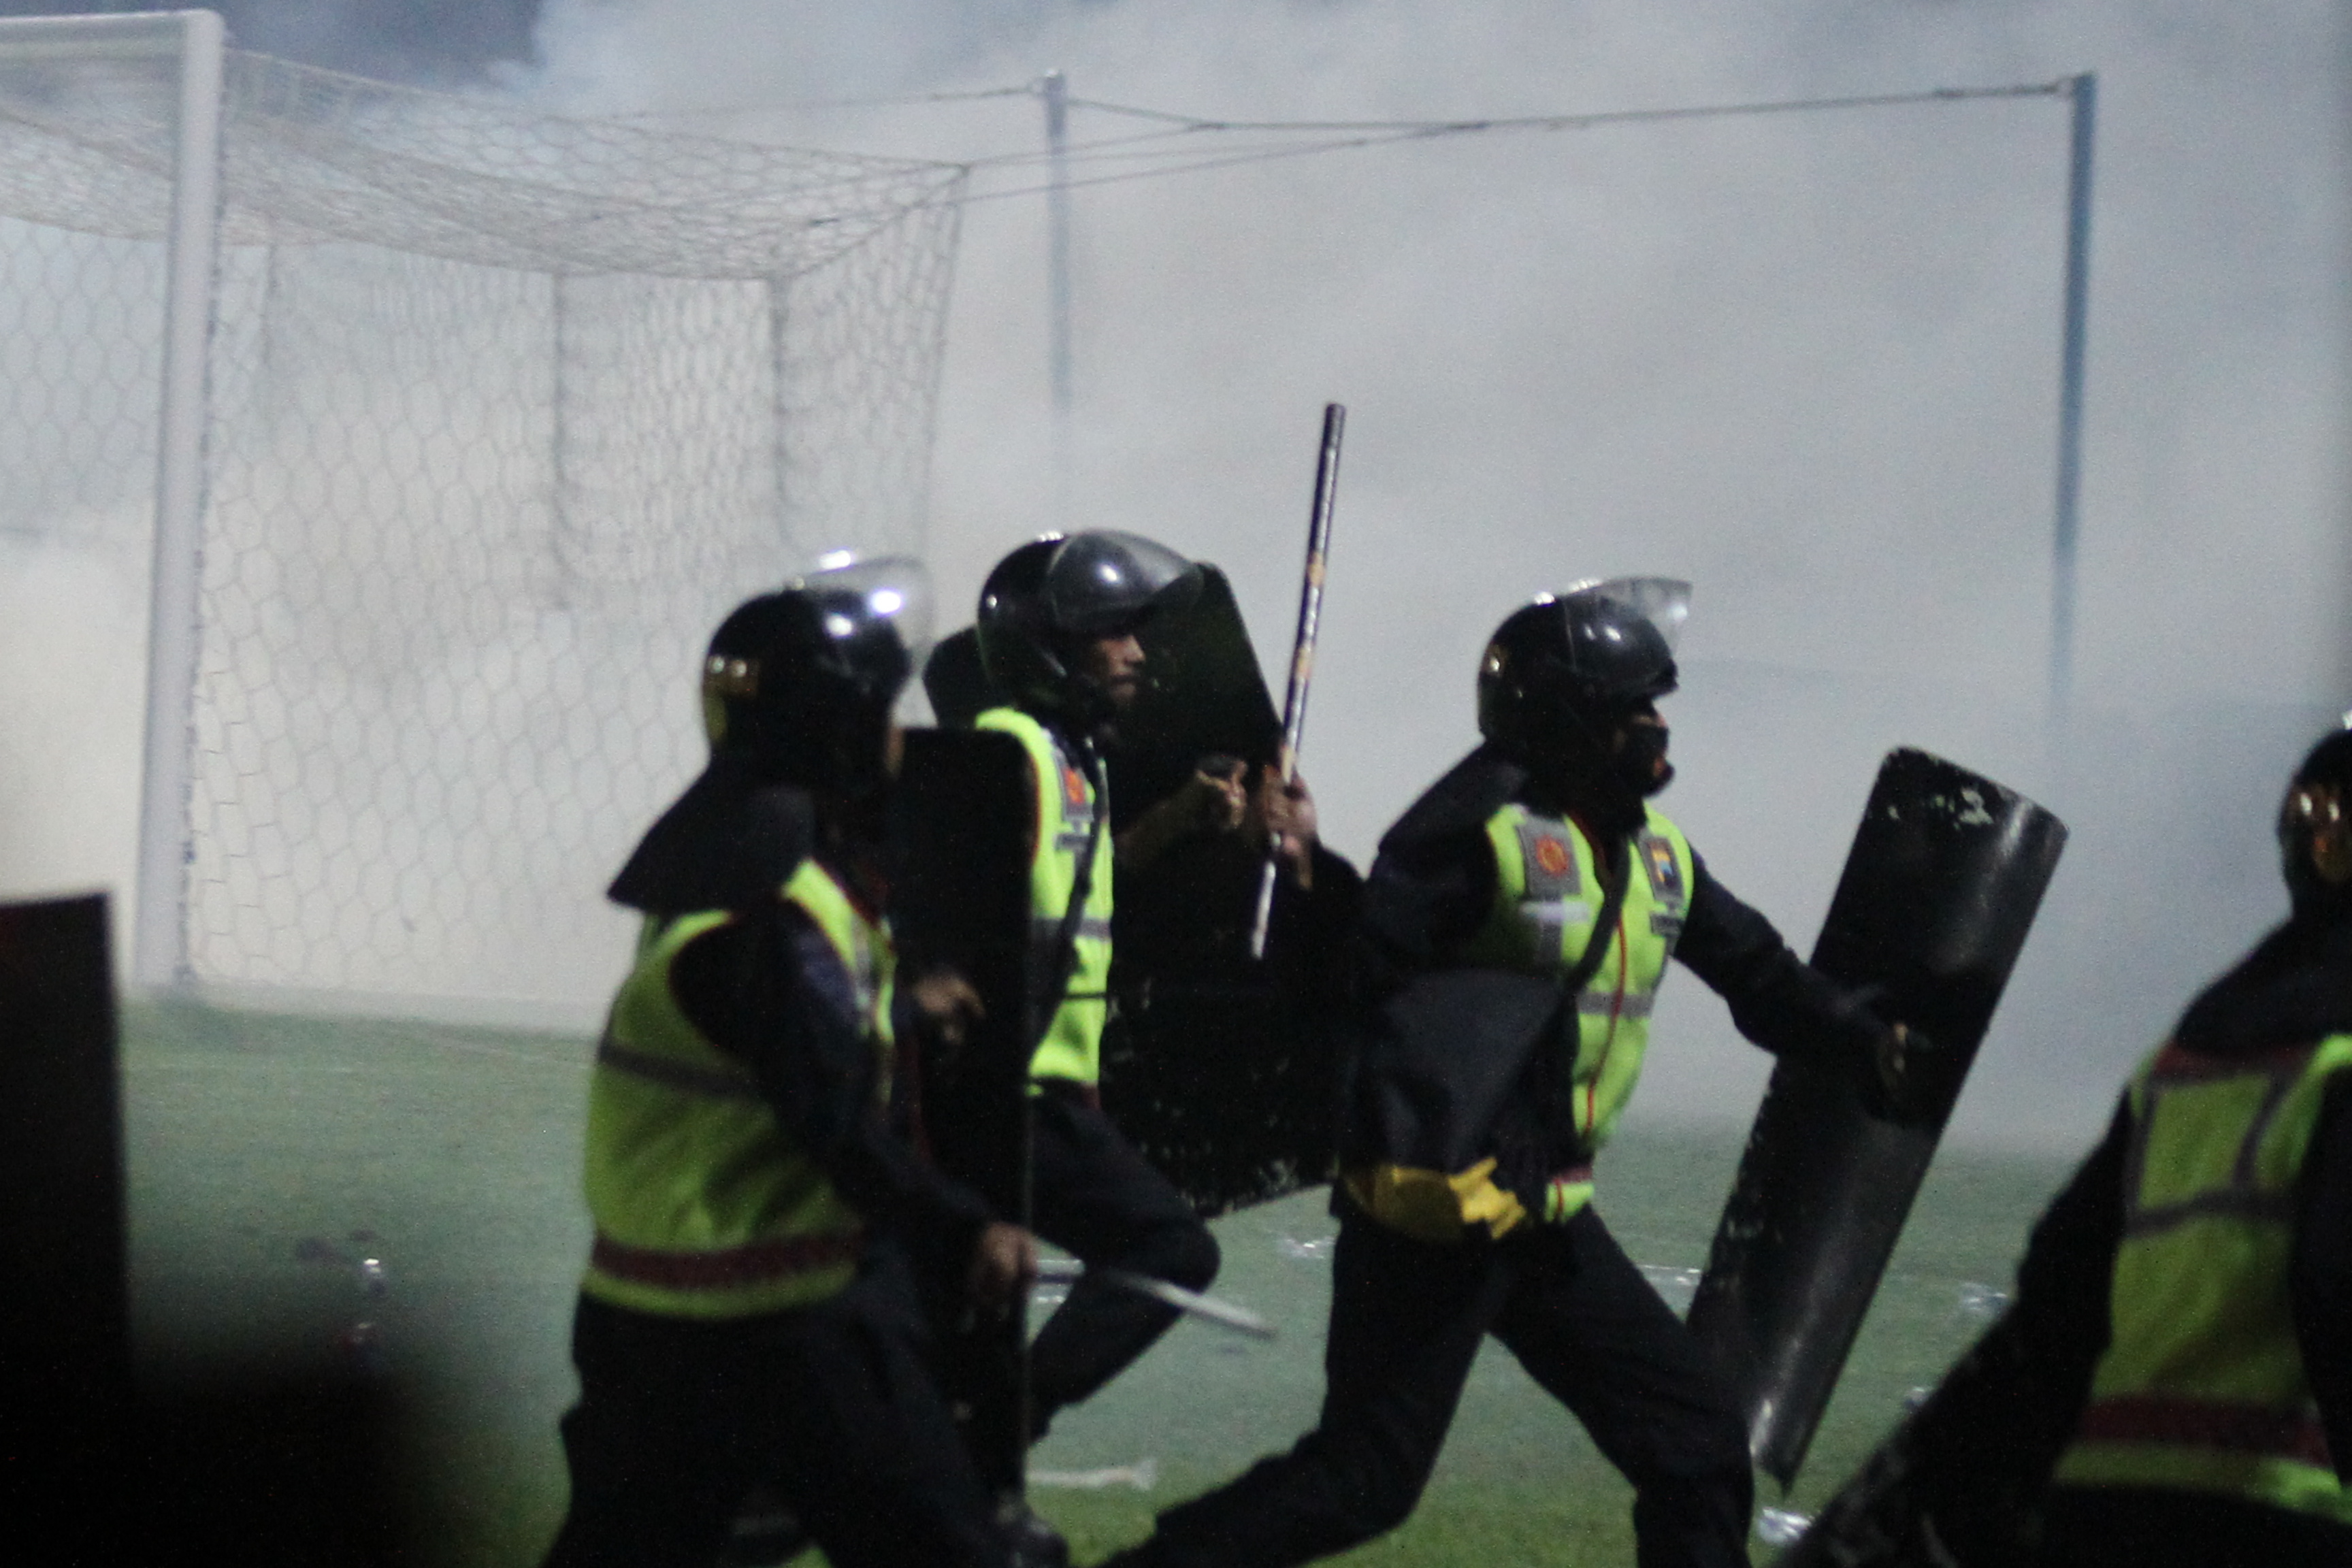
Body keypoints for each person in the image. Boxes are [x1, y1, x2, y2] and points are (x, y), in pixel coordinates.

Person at [1105, 579, 1925, 1568]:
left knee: (1698, 1451)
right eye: (1635, 706)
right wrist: (1299, 863)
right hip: (1432, 1214)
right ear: (1572, 719)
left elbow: (1758, 975)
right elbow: (1354, 973)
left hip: (1543, 1213)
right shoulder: (1471, 832)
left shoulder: (1657, 855)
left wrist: (1864, 1040)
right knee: (1364, 1483)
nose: (1659, 724)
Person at [540, 559, 1057, 1568]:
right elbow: (829, 1114)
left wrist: (900, 1012)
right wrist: (968, 1230)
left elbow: (758, 1043)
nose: (903, 735)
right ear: (844, 735)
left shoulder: (718, 869)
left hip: (646, 1321)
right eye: (887, 711)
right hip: (783, 1320)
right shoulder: (780, 909)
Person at [1908, 723, 2352, 1567]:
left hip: (2106, 1496)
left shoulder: (2196, 1040)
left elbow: (2059, 1271)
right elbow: (2334, 1278)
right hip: (2281, 1508)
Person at [967, 530, 1319, 1436]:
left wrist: (1185, 820)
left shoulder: (1070, 759)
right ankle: (1004, 1421)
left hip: (1046, 1095)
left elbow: (1083, 882)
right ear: (1050, 646)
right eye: (1113, 633)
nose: (1137, 651)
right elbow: (941, 913)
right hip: (1005, 1094)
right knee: (1168, 1247)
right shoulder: (1010, 751)